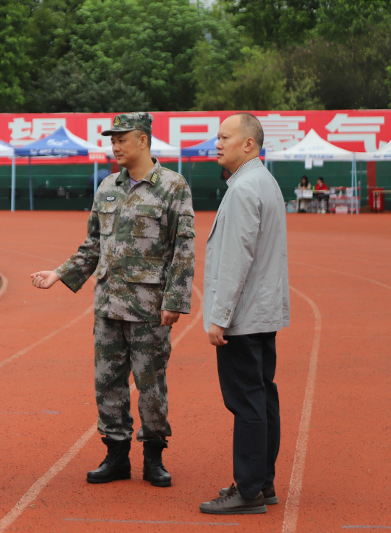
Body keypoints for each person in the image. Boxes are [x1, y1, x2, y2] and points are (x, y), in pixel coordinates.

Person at [31, 113, 195, 488]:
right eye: (112, 140)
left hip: (149, 307)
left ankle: (153, 456)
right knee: (107, 383)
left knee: (151, 385)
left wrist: (175, 300)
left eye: (121, 139)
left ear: (143, 140)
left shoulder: (172, 186)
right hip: (107, 305)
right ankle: (116, 455)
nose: (115, 146)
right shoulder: (107, 186)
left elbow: (183, 249)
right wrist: (60, 273)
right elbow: (93, 243)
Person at [200, 113, 290, 515]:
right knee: (262, 395)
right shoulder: (264, 182)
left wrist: (219, 317)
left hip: (243, 315)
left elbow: (236, 260)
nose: (217, 144)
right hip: (263, 311)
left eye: (225, 137)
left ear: (248, 144)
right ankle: (263, 482)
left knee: (247, 402)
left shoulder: (243, 189)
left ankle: (249, 490)